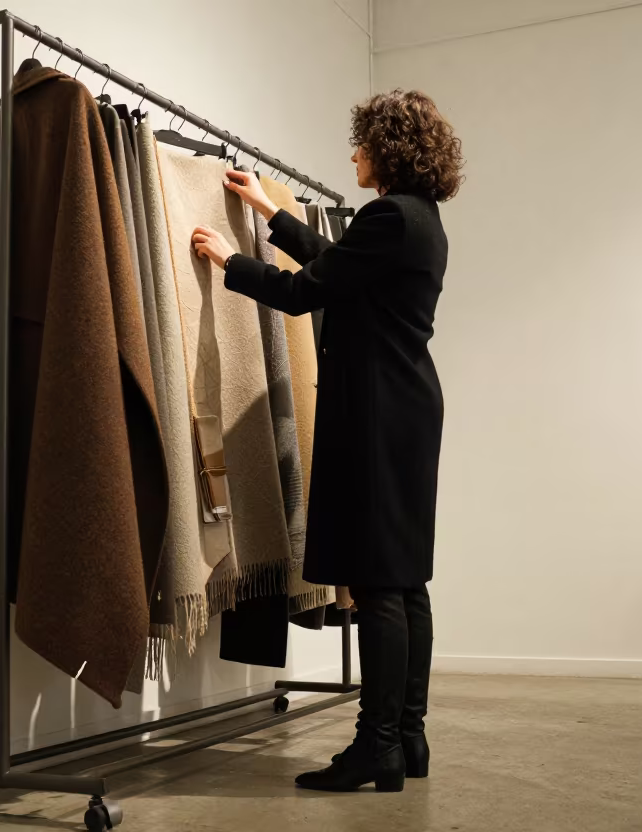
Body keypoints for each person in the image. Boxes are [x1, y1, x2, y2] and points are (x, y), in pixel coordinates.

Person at [192, 89, 463, 793]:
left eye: (362, 144)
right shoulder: (418, 220)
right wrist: (267, 211)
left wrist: (229, 261)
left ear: (389, 150)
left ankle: (377, 747)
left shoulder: (386, 217)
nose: (353, 156)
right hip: (405, 408)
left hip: (375, 412)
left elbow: (305, 291)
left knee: (377, 581)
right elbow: (339, 267)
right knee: (404, 581)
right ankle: (407, 737)